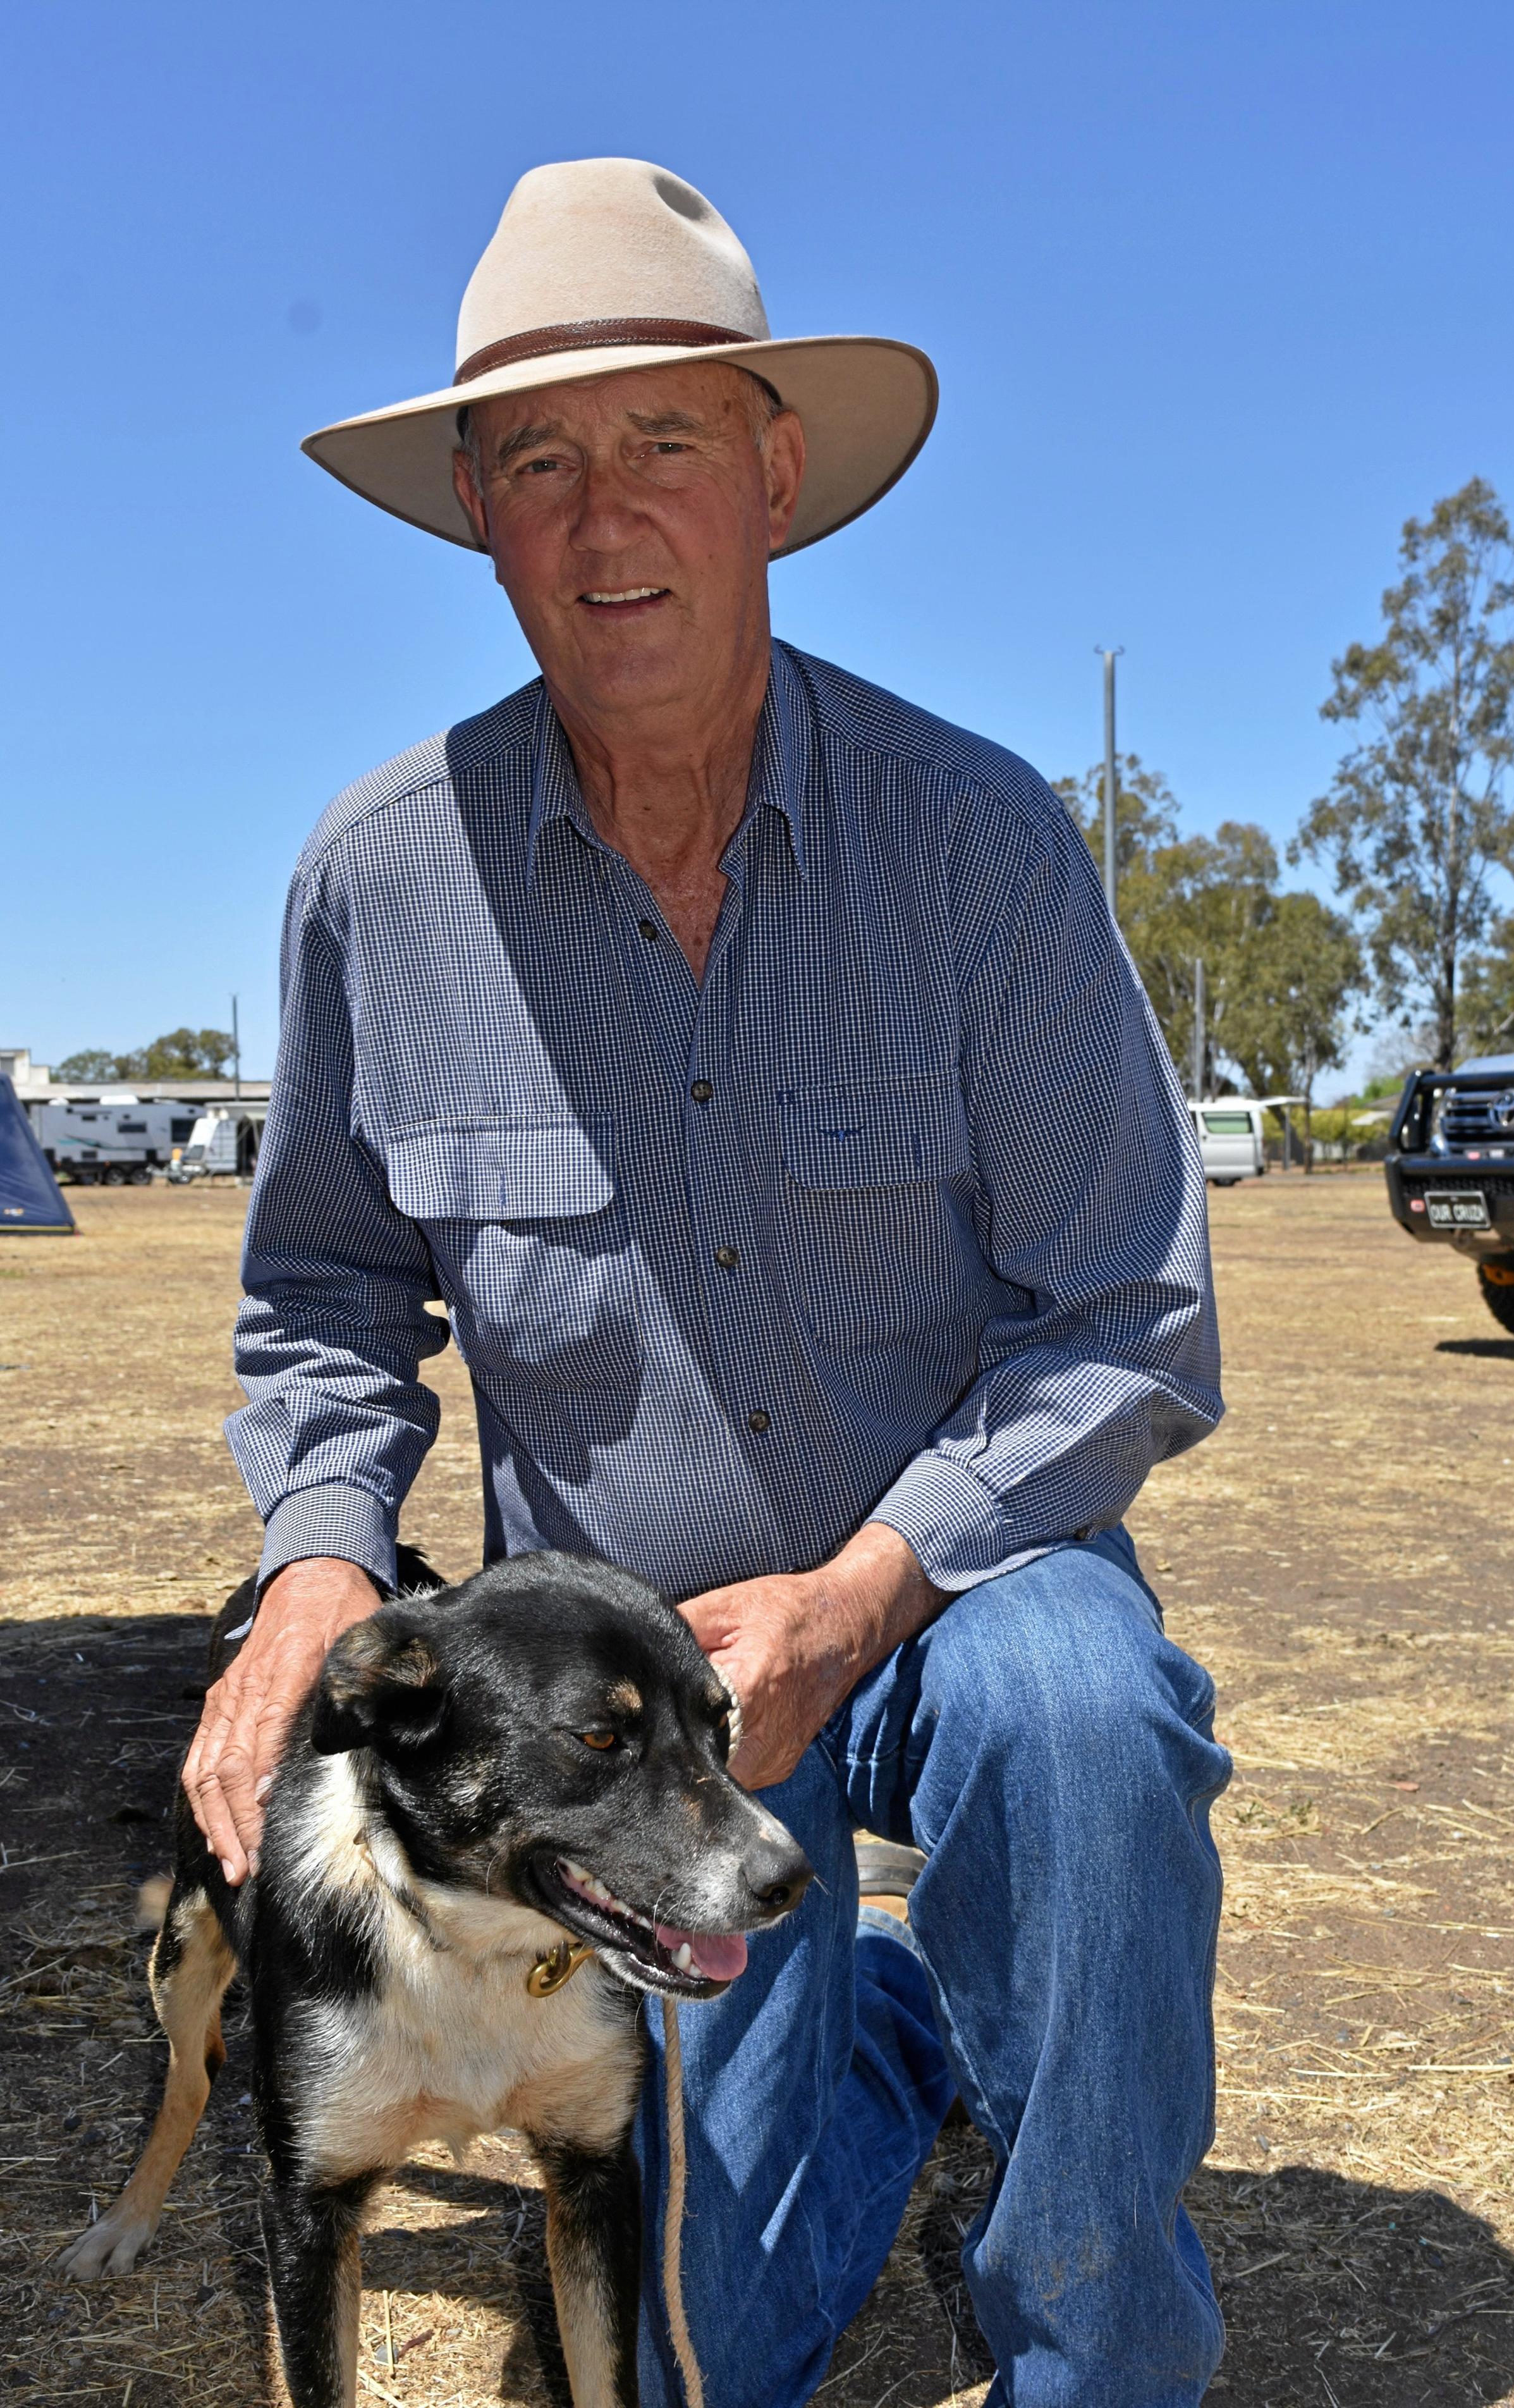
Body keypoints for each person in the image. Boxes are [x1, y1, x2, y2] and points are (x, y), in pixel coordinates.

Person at [184, 158, 1231, 2407]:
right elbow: (327, 1308)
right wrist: (308, 1576)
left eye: (664, 440)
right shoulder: (378, 886)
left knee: (1077, 1724)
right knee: (686, 2371)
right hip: (607, 1670)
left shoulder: (971, 846)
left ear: (773, 474)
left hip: (963, 1580)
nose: (602, 513)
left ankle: (1093, 2355)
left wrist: (857, 1596)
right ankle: (894, 2046)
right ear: (474, 509)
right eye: (540, 459)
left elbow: (1125, 1323)